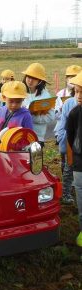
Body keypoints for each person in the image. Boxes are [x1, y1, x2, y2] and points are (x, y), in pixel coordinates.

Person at [64, 71, 82, 247]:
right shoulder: (74, 113)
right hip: (80, 166)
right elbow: (70, 138)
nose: (78, 96)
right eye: (76, 91)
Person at [21, 63, 55, 145]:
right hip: (20, 136)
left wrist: (32, 118)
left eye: (34, 78)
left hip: (37, 137)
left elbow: (51, 116)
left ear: (40, 81)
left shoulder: (45, 96)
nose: (30, 80)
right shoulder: (19, 91)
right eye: (28, 77)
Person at [55, 88, 77, 204]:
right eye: (77, 91)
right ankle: (66, 193)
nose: (79, 95)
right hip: (71, 142)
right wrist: (60, 136)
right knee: (69, 168)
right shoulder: (69, 103)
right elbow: (63, 122)